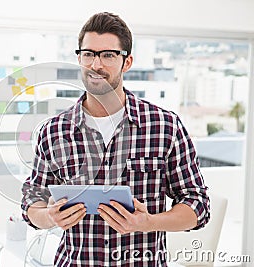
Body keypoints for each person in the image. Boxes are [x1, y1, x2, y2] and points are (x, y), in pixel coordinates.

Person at [21, 12, 210, 266]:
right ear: (79, 58)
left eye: (108, 55)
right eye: (88, 54)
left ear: (127, 62)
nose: (96, 65)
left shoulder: (165, 127)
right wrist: (50, 217)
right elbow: (32, 201)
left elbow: (197, 204)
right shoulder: (53, 131)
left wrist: (149, 223)